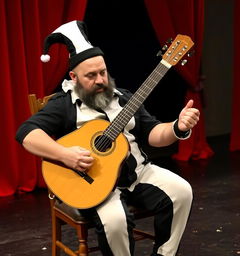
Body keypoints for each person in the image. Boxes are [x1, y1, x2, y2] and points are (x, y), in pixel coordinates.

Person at [16, 20, 200, 256]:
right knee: (115, 222)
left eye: (102, 72)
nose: (100, 80)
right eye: (91, 76)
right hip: (96, 183)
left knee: (181, 191)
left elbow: (154, 135)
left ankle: (165, 253)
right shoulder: (64, 105)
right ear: (74, 77)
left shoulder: (124, 99)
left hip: (137, 173)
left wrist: (177, 126)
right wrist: (65, 155)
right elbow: (26, 133)